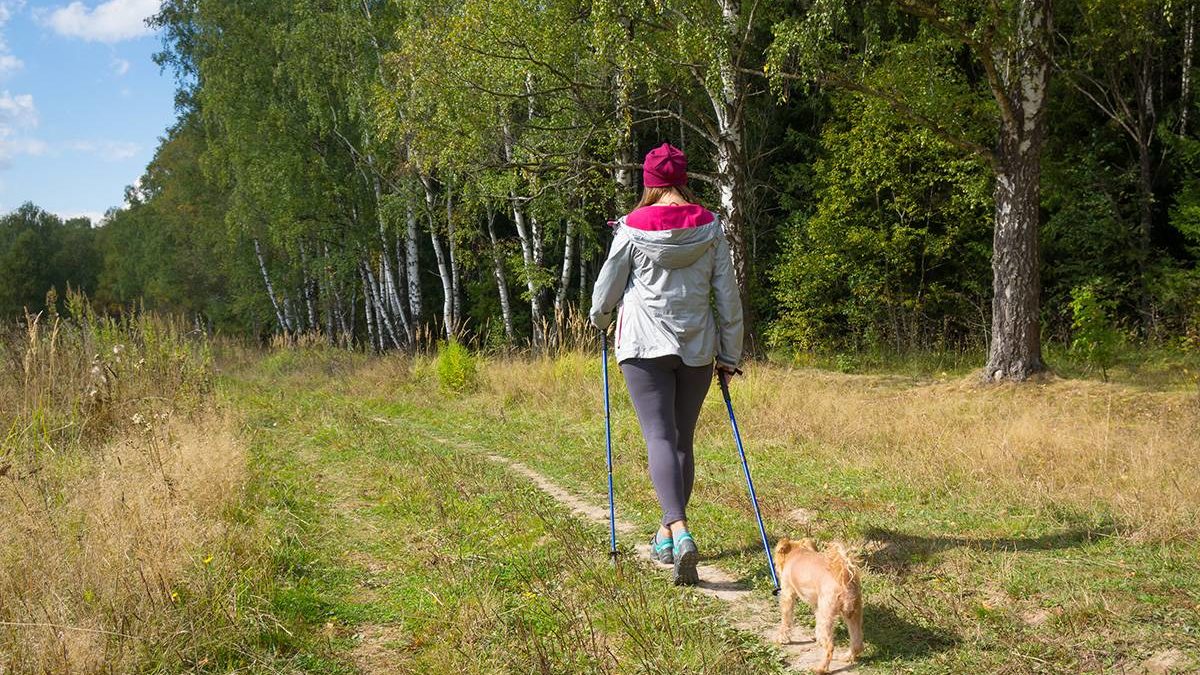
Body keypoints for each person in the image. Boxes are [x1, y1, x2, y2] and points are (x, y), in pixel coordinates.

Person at [589, 142, 744, 586]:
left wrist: (599, 319)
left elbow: (605, 291)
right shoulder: (711, 228)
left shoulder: (631, 229)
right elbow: (727, 298)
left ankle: (678, 530)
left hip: (643, 347)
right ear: (683, 178)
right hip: (696, 348)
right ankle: (667, 533)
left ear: (649, 181)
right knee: (681, 440)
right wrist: (729, 354)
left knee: (658, 436)